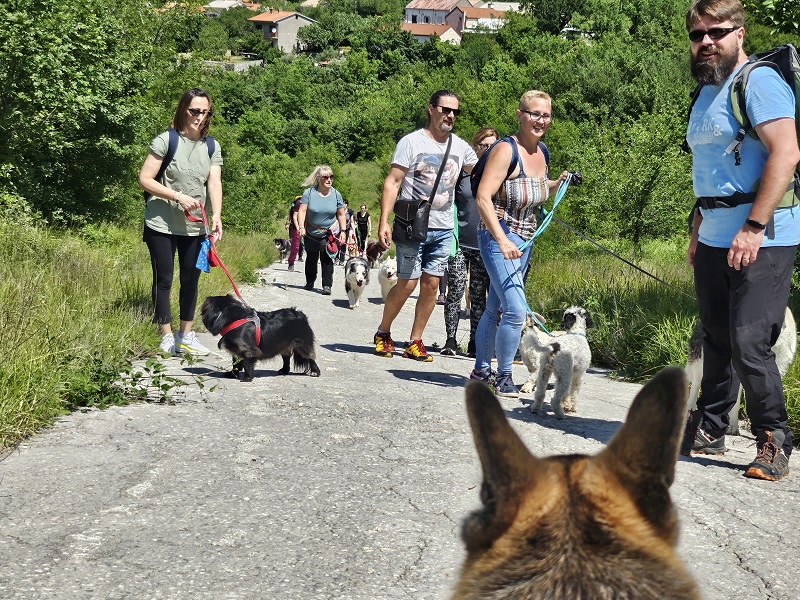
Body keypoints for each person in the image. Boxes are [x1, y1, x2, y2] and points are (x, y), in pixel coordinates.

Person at [682, 0, 800, 481]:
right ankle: (711, 425)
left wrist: (752, 226)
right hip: (713, 233)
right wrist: (697, 232)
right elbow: (708, 171)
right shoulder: (706, 91)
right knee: (715, 334)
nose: (706, 41)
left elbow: (787, 152)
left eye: (717, 32)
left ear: (740, 33)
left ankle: (773, 438)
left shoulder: (760, 82)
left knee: (750, 339)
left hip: (766, 235)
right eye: (698, 34)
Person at [470, 91, 569, 397]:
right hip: (498, 235)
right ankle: (502, 376)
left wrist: (558, 183)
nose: (540, 120)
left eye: (546, 115)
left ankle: (480, 371)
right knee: (514, 310)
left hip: (525, 239)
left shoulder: (543, 152)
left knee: (494, 306)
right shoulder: (504, 150)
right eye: (534, 114)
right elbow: (483, 197)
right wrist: (500, 240)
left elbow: (536, 191)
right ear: (520, 115)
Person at [373, 90, 478, 361]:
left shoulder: (461, 147)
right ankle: (384, 332)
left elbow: (482, 173)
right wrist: (384, 221)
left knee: (431, 285)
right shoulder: (411, 142)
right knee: (407, 283)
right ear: (431, 109)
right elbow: (393, 182)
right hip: (412, 225)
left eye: (455, 111)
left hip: (444, 227)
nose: (450, 115)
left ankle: (415, 340)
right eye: (445, 110)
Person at [139, 88, 223, 357]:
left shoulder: (211, 146)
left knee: (191, 280)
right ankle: (166, 336)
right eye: (194, 111)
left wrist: (217, 216)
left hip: (195, 226)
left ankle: (185, 335)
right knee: (163, 280)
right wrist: (177, 196)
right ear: (183, 109)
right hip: (161, 223)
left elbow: (214, 182)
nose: (199, 116)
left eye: (204, 111)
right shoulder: (166, 140)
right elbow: (145, 179)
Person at [440, 127, 498, 357]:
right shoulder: (462, 175)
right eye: (483, 145)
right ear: (475, 147)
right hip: (460, 242)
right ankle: (451, 340)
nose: (487, 150)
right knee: (454, 290)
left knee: (478, 295)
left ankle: (475, 341)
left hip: (484, 243)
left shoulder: (498, 174)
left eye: (492, 146)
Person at [297, 165, 346, 295]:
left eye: (331, 177)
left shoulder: (336, 194)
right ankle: (310, 281)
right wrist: (301, 227)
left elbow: (341, 214)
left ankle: (327, 285)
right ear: (318, 179)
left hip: (329, 234)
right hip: (311, 232)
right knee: (311, 257)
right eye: (326, 177)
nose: (329, 180)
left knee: (327, 257)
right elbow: (302, 211)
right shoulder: (309, 193)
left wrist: (343, 231)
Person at [337, 199, 356, 265]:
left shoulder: (350, 212)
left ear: (347, 205)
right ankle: (336, 258)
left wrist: (353, 231)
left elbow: (352, 221)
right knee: (338, 244)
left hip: (347, 229)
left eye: (345, 203)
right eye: (343, 203)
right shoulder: (338, 210)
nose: (344, 205)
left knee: (344, 244)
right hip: (339, 229)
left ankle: (342, 260)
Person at [286, 195, 303, 271]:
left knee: (303, 245)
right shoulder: (298, 203)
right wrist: (287, 222)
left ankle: (301, 257)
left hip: (307, 227)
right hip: (295, 227)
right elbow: (291, 214)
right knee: (295, 246)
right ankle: (291, 263)